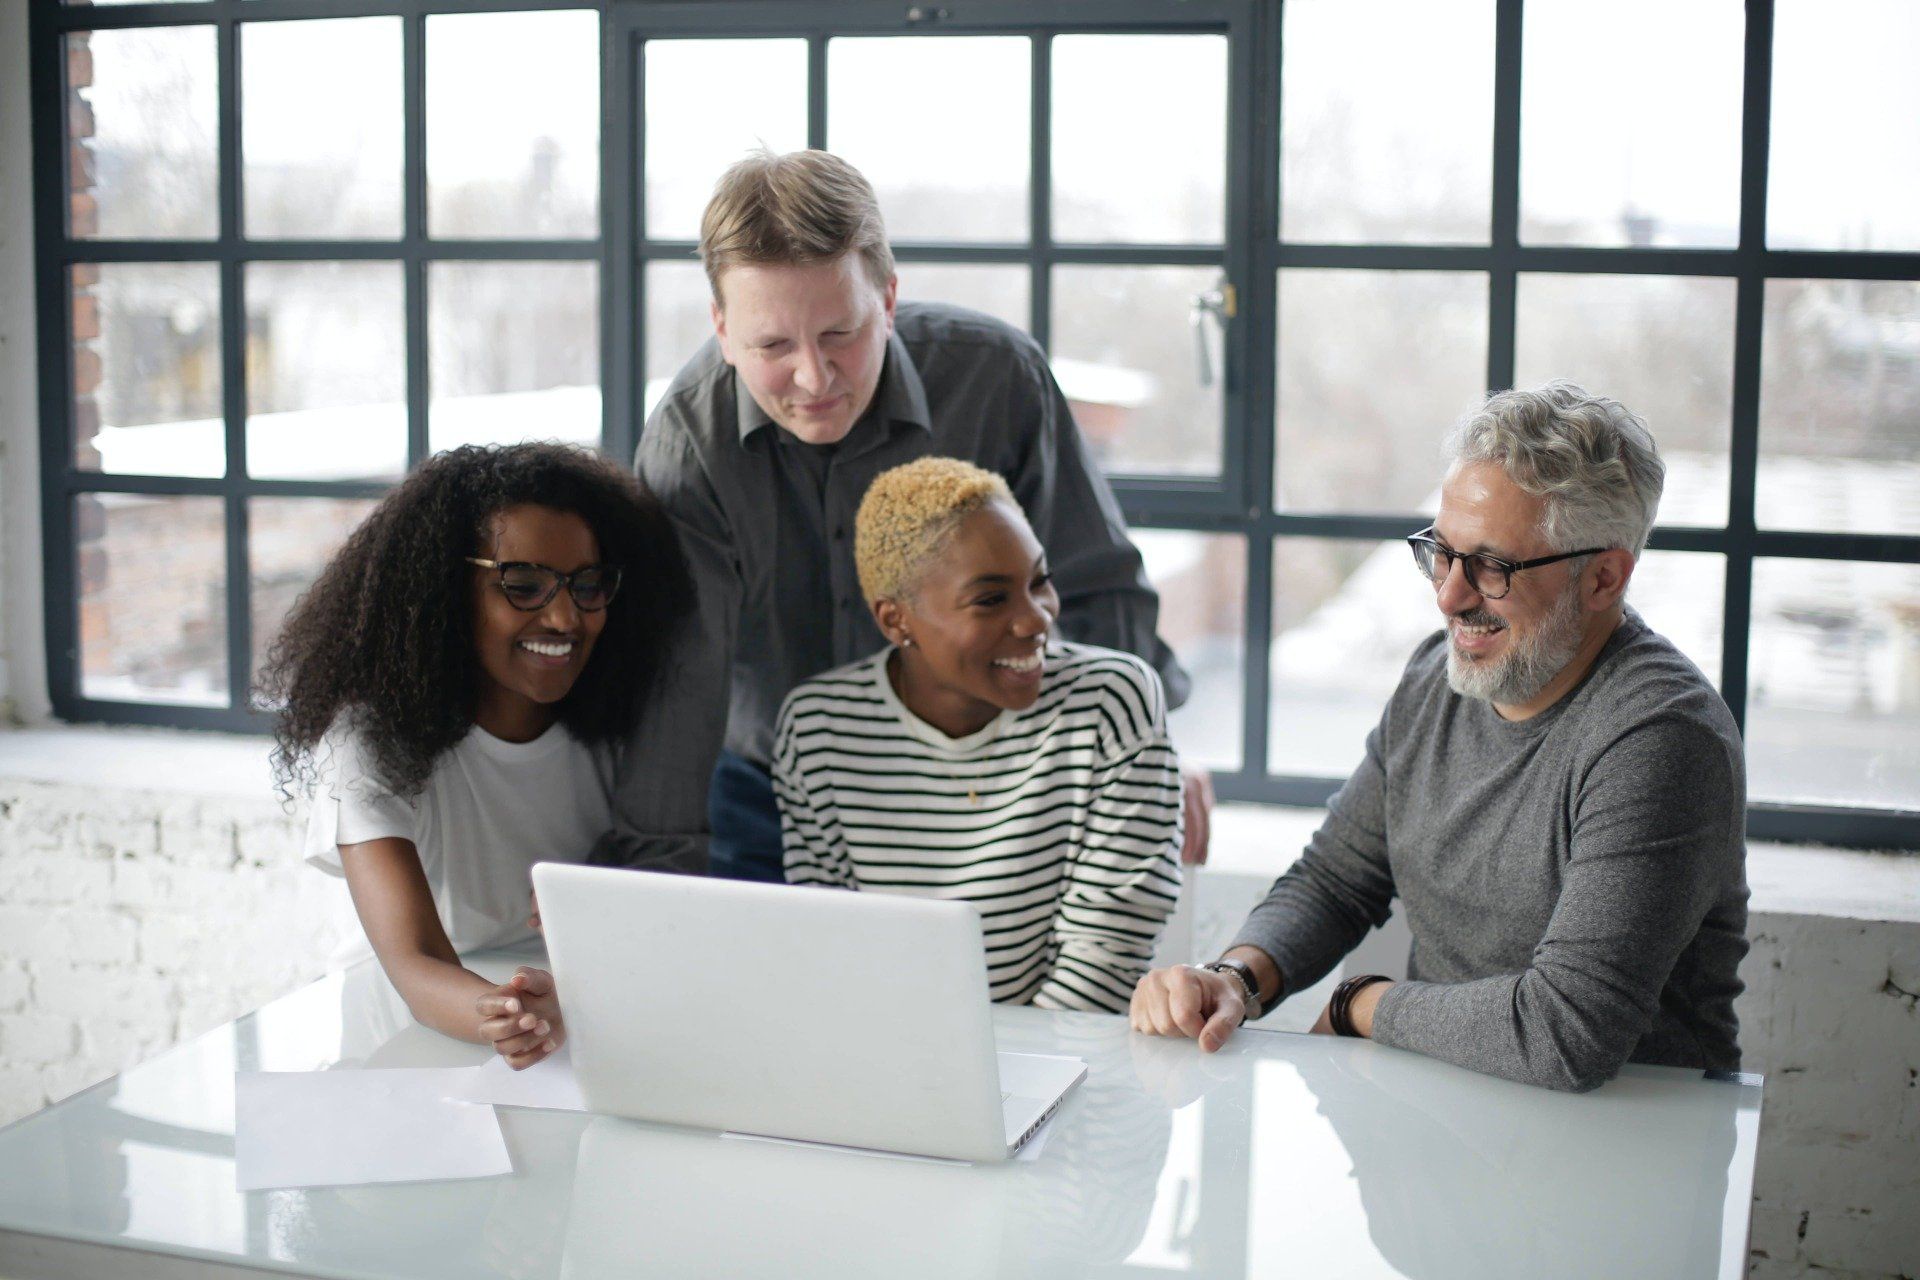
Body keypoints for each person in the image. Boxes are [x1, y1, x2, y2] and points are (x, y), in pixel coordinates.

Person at [600, 148, 1212, 883]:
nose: (814, 377)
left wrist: (1139, 757)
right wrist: (642, 875)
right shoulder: (686, 442)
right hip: (760, 796)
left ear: (888, 300)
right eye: (772, 345)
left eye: (840, 334)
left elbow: (1094, 586)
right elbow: (676, 680)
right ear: (722, 329)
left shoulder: (996, 381)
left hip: (993, 783)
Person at [1130, 382, 1751, 1092]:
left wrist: (1357, 1003)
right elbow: (1336, 880)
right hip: (1448, 1101)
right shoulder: (1438, 674)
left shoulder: (1661, 739)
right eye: (1442, 552)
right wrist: (1236, 977)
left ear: (1604, 577)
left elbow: (1566, 1032)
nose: (1448, 595)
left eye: (1492, 566)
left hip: (1636, 1137)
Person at [263, 442, 694, 1069]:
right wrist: (510, 1014)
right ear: (442, 594)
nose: (565, 617)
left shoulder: (619, 726)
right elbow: (416, 962)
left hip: (572, 1028)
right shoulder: (367, 742)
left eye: (588, 585)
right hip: (407, 1044)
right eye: (523, 586)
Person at [773, 457, 1183, 1012]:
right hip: (890, 1060)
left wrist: (1011, 1087)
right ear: (896, 620)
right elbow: (833, 948)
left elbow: (1105, 957)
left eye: (1039, 581)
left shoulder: (1112, 701)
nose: (1036, 619)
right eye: (991, 599)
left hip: (1064, 1070)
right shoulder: (818, 727)